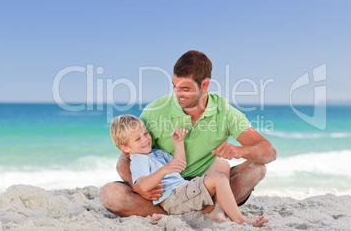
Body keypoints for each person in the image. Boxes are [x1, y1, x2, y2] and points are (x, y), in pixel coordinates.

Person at [100, 50, 277, 221]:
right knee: (110, 195)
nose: (178, 94)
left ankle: (209, 210)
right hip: (164, 191)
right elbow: (126, 158)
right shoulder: (156, 111)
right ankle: (195, 213)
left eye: (185, 88)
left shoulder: (226, 113)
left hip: (205, 183)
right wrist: (138, 188)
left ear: (204, 85)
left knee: (257, 169)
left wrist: (239, 151)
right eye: (174, 86)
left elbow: (269, 151)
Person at [110, 114, 268, 227]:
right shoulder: (139, 159)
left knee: (221, 163)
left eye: (145, 133)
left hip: (184, 190)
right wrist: (164, 170)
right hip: (174, 198)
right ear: (125, 148)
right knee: (219, 178)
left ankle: (218, 211)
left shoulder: (155, 153)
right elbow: (143, 185)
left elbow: (180, 164)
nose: (145, 139)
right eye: (138, 139)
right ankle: (240, 220)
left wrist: (178, 143)